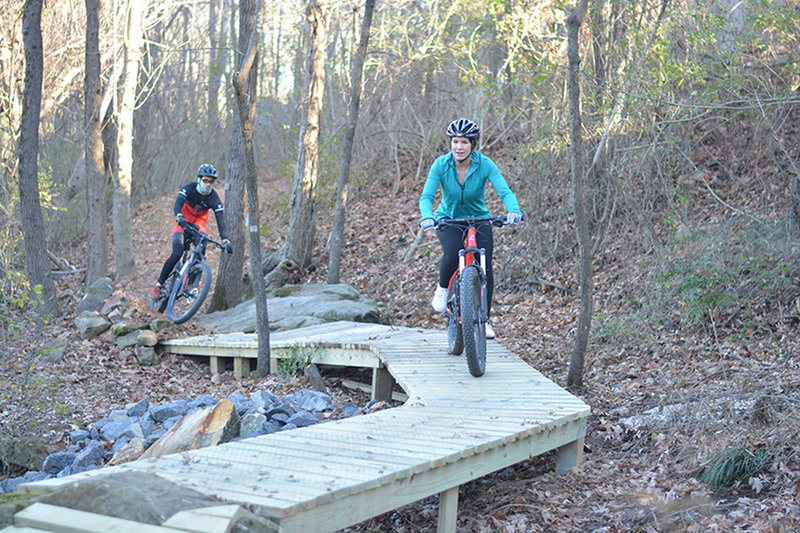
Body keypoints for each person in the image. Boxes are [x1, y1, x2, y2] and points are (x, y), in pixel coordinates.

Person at [418, 118, 523, 339]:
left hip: (478, 219)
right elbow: (427, 196)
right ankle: (443, 288)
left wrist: (513, 210)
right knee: (453, 252)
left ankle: (483, 319)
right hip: (449, 219)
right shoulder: (441, 164)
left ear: (472, 144)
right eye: (455, 141)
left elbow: (504, 191)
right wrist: (427, 217)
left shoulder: (485, 164)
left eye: (464, 142)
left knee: (484, 266)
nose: (459, 147)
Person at [150, 164, 233, 299]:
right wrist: (179, 216)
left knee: (202, 249)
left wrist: (226, 239)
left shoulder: (214, 197)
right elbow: (177, 204)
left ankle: (190, 283)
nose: (208, 184)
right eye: (205, 180)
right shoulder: (189, 188)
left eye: (211, 181)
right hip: (182, 223)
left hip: (198, 226)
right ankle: (159, 284)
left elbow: (220, 220)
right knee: (177, 253)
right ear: (199, 179)